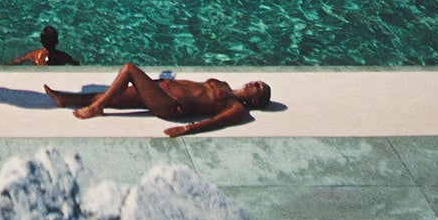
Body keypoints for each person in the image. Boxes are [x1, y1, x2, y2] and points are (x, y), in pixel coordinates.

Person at [43, 66, 272, 137]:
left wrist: (185, 129)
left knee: (129, 70)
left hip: (169, 105)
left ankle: (95, 109)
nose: (255, 83)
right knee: (112, 94)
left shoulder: (236, 109)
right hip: (162, 88)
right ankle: (65, 99)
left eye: (259, 88)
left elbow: (216, 123)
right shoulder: (222, 83)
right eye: (258, 82)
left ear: (256, 101)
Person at [8, 25, 79, 68]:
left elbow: (19, 61)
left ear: (40, 40)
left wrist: (6, 64)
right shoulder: (63, 56)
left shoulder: (34, 55)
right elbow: (76, 65)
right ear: (57, 41)